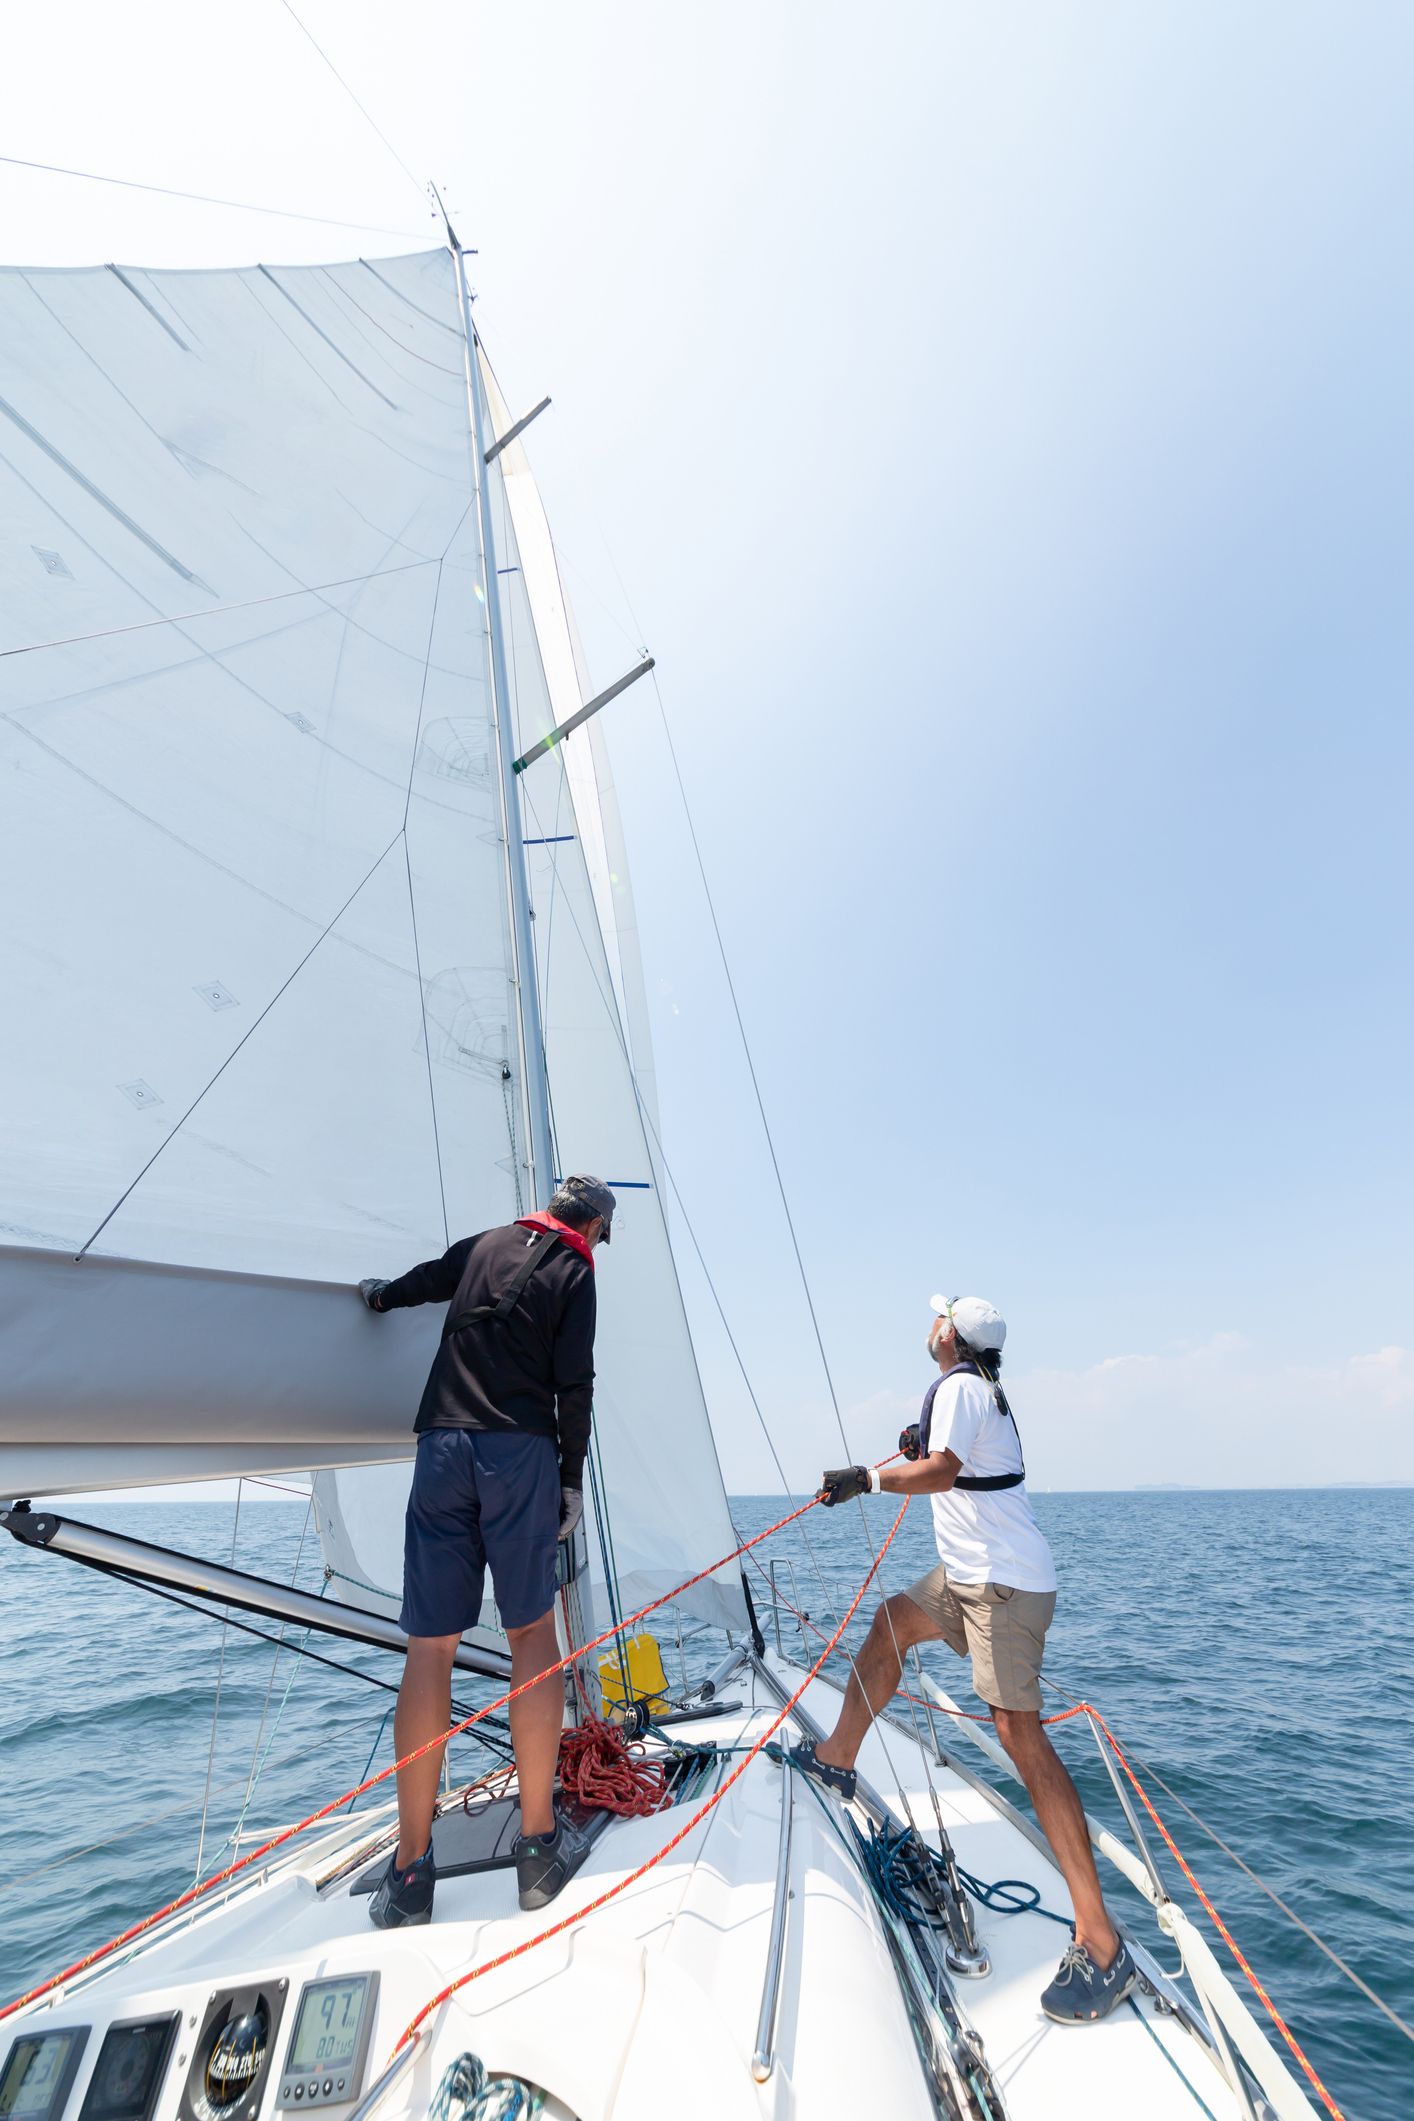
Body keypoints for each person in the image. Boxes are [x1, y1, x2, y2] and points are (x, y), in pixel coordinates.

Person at [789, 1293, 1136, 2025]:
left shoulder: (960, 1387)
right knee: (890, 1624)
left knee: (1020, 1736)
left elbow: (944, 1472)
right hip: (970, 1575)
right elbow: (955, 1461)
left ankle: (1103, 1943)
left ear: (951, 1334)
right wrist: (917, 1446)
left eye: (937, 1315)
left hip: (1001, 1587)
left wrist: (868, 1478)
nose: (930, 1322)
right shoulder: (977, 1391)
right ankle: (838, 1755)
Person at [355, 1174, 617, 1929]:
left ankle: (410, 1875)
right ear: (593, 1226)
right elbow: (577, 1388)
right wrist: (570, 1483)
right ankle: (536, 1852)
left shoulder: (483, 1245)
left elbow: (419, 1283)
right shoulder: (574, 1271)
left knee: (429, 1649)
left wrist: (376, 1298)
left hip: (441, 1445)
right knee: (532, 1633)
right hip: (518, 1454)